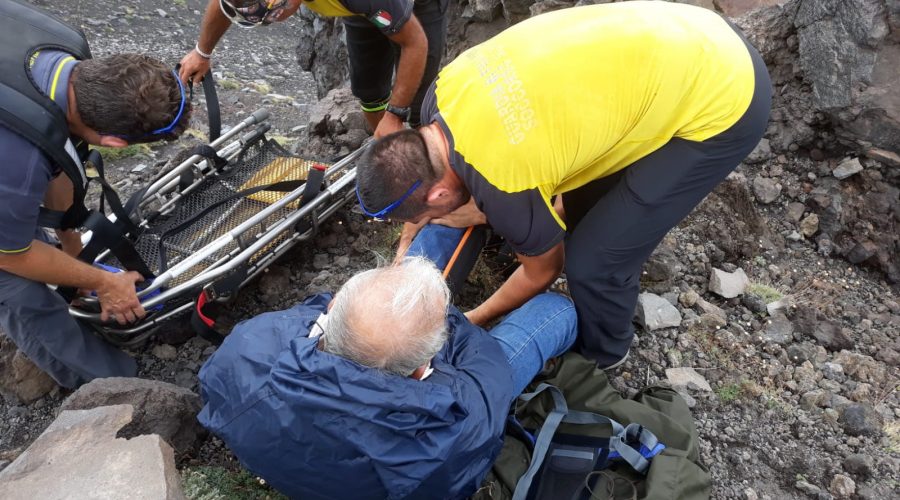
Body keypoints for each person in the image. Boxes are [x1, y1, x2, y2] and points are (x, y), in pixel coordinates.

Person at [355, 1, 773, 368]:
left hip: (726, 92)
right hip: (681, 30)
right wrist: (412, 238)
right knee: (579, 207)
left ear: (439, 193)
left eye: (435, 213)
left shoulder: (505, 178)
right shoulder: (441, 95)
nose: (442, 218)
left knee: (594, 261)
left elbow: (543, 271)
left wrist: (472, 319)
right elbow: (500, 173)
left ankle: (607, 353)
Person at [198, 257, 576, 499]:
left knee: (394, 305)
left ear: (332, 311)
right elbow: (484, 364)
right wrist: (446, 319)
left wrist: (390, 311)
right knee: (554, 310)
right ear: (420, 371)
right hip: (451, 414)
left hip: (300, 462)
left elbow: (310, 312)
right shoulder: (456, 425)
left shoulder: (245, 348)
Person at [0, 1, 191, 388]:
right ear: (115, 143)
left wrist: (71, 244)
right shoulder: (16, 159)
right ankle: (113, 386)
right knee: (17, 286)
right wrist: (103, 283)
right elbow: (11, 256)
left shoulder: (64, 52)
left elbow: (58, 149)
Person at [179, 0, 447, 137]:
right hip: (360, 10)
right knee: (368, 90)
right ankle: (394, 151)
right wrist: (202, 52)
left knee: (418, 105)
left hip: (417, 8)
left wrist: (395, 115)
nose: (275, 22)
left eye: (272, 17)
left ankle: (433, 174)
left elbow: (415, 43)